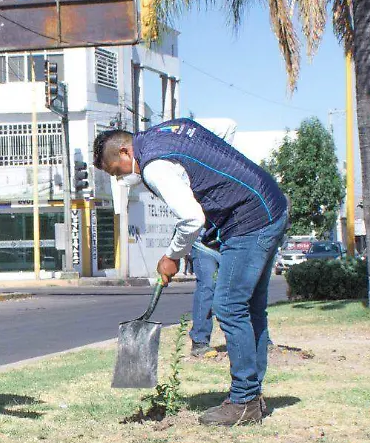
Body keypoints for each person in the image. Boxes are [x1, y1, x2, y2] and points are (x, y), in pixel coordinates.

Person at [95, 121, 289, 425]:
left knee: (228, 305)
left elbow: (190, 218)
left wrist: (172, 257)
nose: (121, 178)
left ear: (124, 150)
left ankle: (244, 401)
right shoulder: (164, 134)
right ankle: (252, 396)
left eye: (117, 171)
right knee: (250, 308)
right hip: (269, 202)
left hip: (250, 219)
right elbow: (211, 131)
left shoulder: (154, 165)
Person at [188, 242, 221, 357]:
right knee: (207, 287)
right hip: (203, 246)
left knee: (241, 290)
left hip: (232, 244)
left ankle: (259, 339)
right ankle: (199, 342)